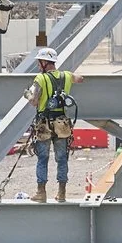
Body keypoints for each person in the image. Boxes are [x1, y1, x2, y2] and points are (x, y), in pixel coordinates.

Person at [30, 46, 76, 202]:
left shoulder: (40, 79)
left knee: (43, 158)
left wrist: (28, 95)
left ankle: (41, 193)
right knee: (62, 158)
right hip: (62, 123)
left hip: (44, 124)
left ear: (44, 62)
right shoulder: (67, 76)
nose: (38, 65)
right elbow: (80, 78)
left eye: (39, 62)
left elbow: (34, 101)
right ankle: (62, 193)